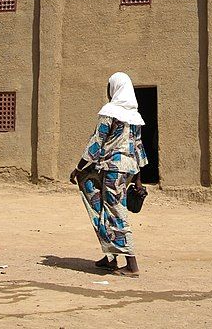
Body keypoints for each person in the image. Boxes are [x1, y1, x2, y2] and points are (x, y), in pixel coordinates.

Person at [70, 72, 148, 277]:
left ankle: (131, 264)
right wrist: (138, 181)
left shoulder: (110, 112)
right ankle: (111, 256)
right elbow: (138, 149)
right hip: (127, 170)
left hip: (112, 170)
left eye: (109, 86)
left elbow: (96, 143)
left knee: (115, 212)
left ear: (115, 88)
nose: (107, 90)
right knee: (105, 209)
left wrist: (78, 169)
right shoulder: (135, 117)